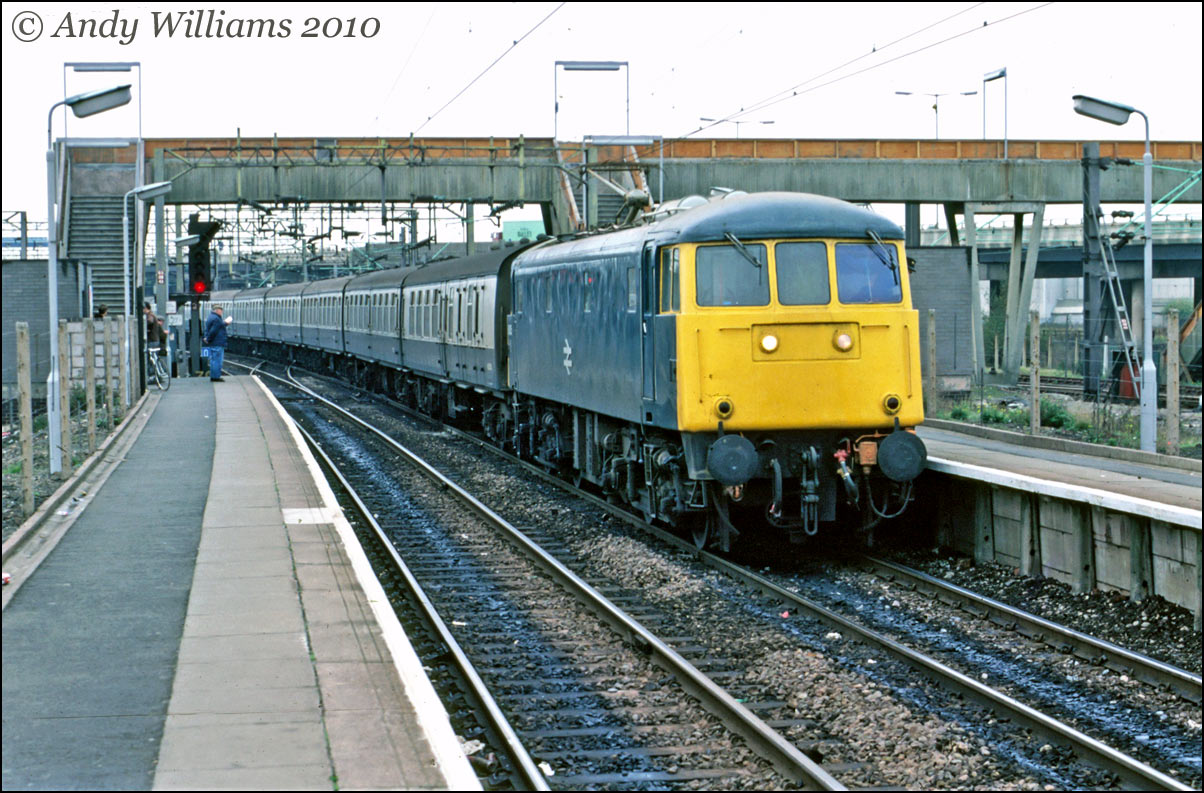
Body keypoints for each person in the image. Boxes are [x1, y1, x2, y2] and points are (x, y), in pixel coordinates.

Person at [202, 304, 228, 382]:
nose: (222, 311)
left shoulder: (211, 317)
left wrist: (207, 339)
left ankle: (214, 376)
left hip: (214, 342)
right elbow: (214, 331)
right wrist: (208, 339)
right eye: (221, 310)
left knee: (213, 360)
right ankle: (216, 377)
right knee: (217, 360)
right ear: (217, 310)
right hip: (217, 342)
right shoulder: (216, 319)